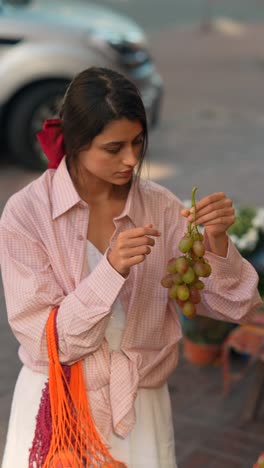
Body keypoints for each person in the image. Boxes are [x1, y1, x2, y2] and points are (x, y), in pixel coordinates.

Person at [0, 67, 261, 468]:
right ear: (74, 141)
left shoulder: (159, 206)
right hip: (60, 413)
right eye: (114, 148)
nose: (131, 159)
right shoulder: (26, 215)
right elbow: (45, 341)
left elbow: (236, 306)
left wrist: (218, 242)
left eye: (138, 142)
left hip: (140, 407)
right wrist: (110, 271)